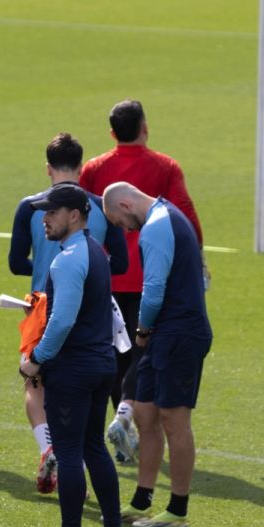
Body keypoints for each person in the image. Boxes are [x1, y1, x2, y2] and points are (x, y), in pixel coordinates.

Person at [79, 98, 202, 459]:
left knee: (112, 358)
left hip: (109, 279)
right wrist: (199, 259)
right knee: (140, 354)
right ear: (145, 127)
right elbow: (186, 213)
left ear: (113, 132)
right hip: (150, 281)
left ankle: (111, 430)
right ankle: (126, 427)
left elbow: (84, 217)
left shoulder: (96, 168)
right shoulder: (165, 167)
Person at [9, 132, 127, 495]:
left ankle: (48, 446)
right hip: (94, 312)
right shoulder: (98, 208)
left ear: (48, 168)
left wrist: (43, 266)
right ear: (82, 165)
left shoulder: (30, 207)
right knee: (88, 409)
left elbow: (15, 263)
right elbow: (120, 263)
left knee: (36, 382)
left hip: (42, 304)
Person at [19, 186, 126, 527]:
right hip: (102, 364)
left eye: (52, 212)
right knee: (94, 446)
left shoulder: (65, 260)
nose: (44, 218)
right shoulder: (96, 252)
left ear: (76, 215)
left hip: (74, 367)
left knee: (66, 451)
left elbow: (62, 321)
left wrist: (36, 358)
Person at [102, 182, 211, 527]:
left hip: (179, 334)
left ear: (124, 204)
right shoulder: (167, 216)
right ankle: (142, 501)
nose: (123, 229)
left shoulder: (156, 227)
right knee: (145, 413)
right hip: (167, 333)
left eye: (118, 222)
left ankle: (177, 509)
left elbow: (153, 292)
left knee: (174, 420)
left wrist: (143, 331)